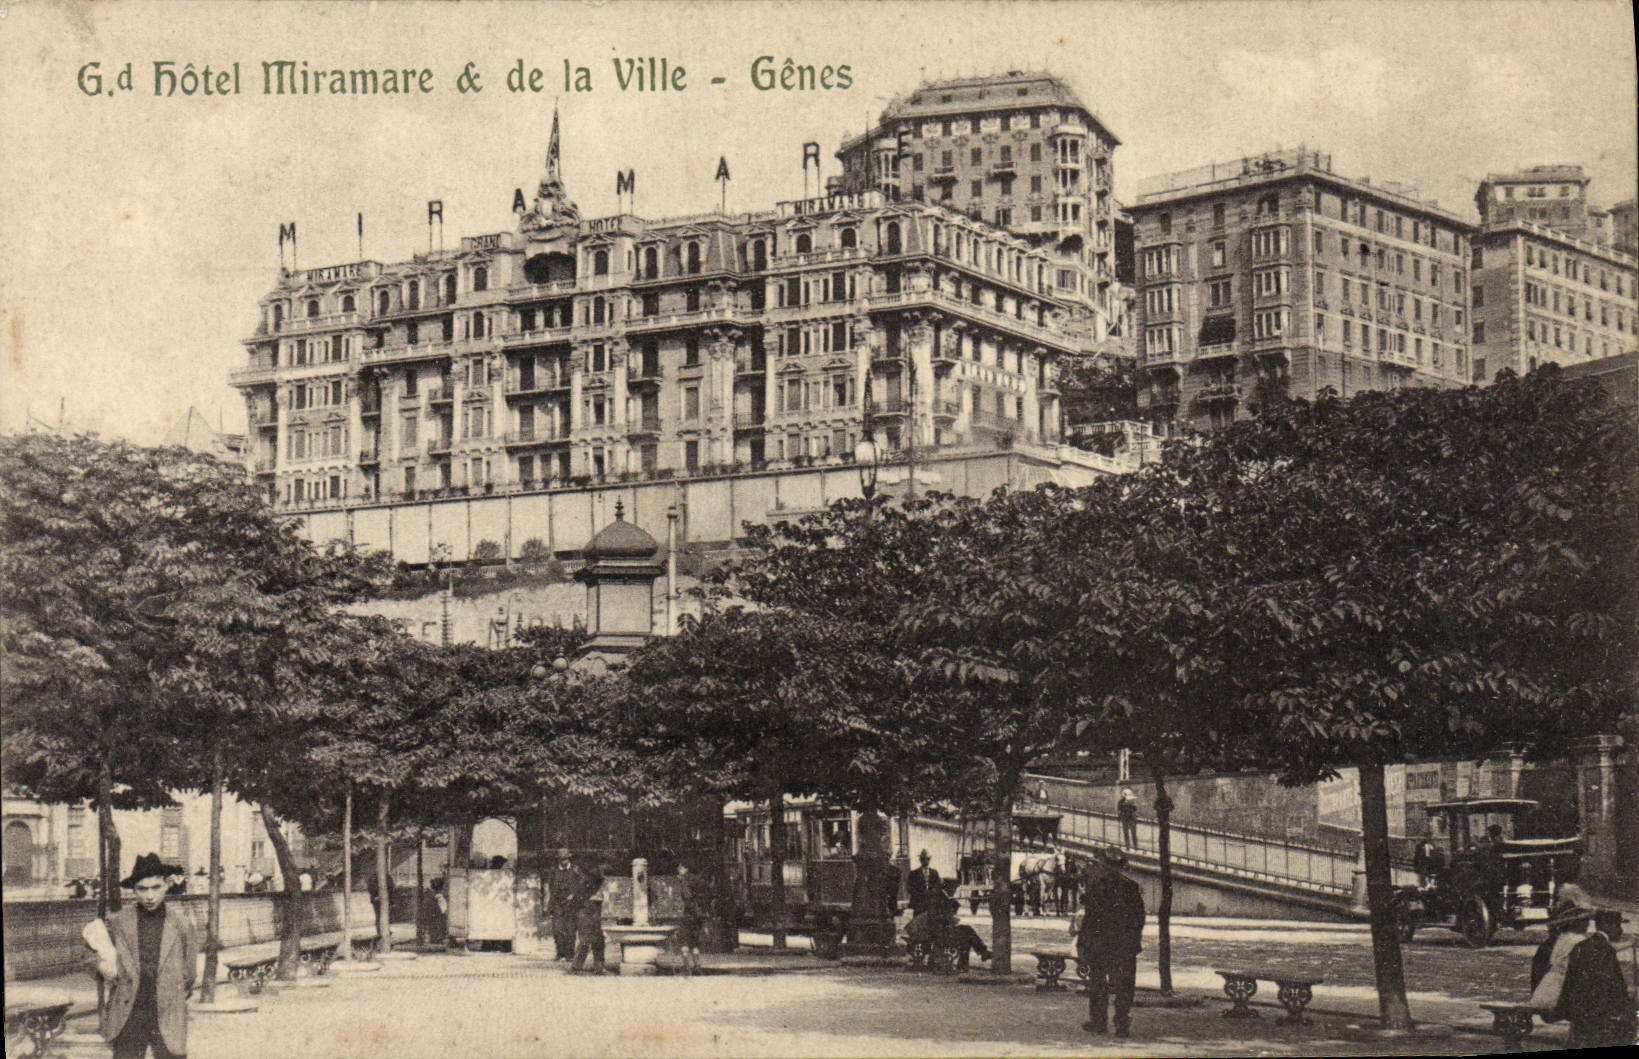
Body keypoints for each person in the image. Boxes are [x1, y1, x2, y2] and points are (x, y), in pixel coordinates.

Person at [88, 853, 198, 1059]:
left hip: (167, 1012)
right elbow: (90, 954)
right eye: (142, 889)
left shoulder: (182, 924)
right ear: (134, 890)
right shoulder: (118, 922)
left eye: (155, 888)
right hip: (129, 1011)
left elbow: (190, 972)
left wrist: (173, 992)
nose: (149, 896)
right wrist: (102, 967)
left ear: (166, 885)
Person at [1529, 900, 1636, 1048]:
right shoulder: (1578, 941)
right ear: (1574, 924)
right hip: (1565, 991)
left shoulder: (1566, 939)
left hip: (1561, 988)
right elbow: (1605, 954)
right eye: (1583, 921)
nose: (1586, 925)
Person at [1077, 846, 1145, 1039]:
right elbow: (1139, 918)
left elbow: (1089, 919)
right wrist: (1134, 940)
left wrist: (1083, 943)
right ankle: (1122, 1024)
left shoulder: (1095, 886)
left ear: (1104, 865)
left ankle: (1099, 1022)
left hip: (1100, 944)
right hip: (1125, 945)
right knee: (1125, 985)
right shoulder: (1131, 887)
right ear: (1123, 866)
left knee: (1098, 983)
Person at [906, 891, 991, 971]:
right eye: (953, 912)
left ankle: (979, 954)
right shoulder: (938, 916)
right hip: (931, 937)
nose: (953, 913)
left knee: (966, 932)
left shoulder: (936, 914)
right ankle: (976, 955)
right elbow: (939, 930)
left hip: (932, 935)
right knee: (966, 935)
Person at [570, 861, 608, 974]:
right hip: (585, 910)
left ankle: (597, 965)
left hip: (593, 910)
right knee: (586, 939)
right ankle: (578, 966)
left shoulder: (592, 878)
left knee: (597, 939)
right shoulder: (589, 879)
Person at [547, 848, 579, 962]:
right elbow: (550, 888)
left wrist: (574, 895)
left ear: (569, 858)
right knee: (557, 929)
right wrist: (551, 905)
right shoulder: (554, 871)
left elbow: (581, 885)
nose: (564, 861)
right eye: (561, 859)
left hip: (571, 904)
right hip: (557, 903)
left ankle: (570, 954)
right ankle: (560, 953)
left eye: (566, 859)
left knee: (570, 929)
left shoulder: (575, 870)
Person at [676, 864, 703, 975]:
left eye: (681, 867)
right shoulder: (697, 880)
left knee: (685, 943)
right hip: (698, 916)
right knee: (695, 943)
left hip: (688, 915)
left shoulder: (685, 882)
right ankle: (697, 967)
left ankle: (685, 967)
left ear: (686, 869)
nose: (679, 869)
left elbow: (687, 897)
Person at [905, 850, 943, 920]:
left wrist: (932, 893)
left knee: (931, 921)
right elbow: (909, 887)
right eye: (923, 859)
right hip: (919, 902)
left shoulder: (934, 872)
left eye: (927, 859)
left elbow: (938, 886)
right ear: (920, 860)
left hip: (931, 902)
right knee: (918, 921)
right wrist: (920, 894)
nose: (925, 861)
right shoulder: (914, 873)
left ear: (930, 860)